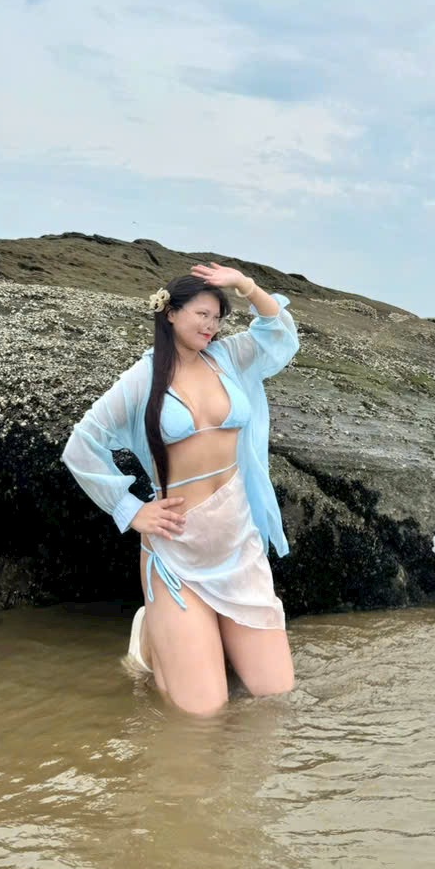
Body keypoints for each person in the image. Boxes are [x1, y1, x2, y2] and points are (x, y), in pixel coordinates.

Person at [61, 262, 300, 716]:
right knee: (203, 715)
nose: (210, 326)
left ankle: (194, 637)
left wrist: (246, 285)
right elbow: (82, 444)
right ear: (170, 313)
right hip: (177, 549)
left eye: (217, 317)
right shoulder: (143, 378)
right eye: (201, 314)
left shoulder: (227, 357)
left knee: (275, 698)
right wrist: (131, 509)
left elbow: (280, 336)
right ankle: (153, 636)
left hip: (236, 540)